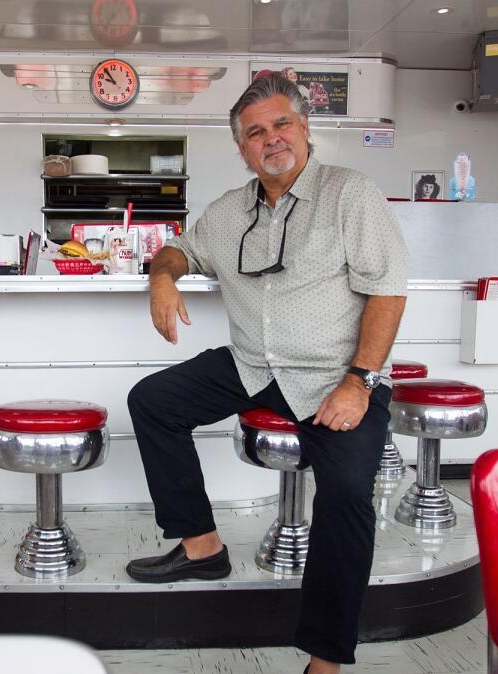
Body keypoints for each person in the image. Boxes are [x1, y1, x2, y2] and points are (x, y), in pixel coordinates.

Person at [125, 73, 409, 673]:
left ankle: (326, 658)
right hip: (253, 367)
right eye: (256, 132)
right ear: (242, 148)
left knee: (348, 496)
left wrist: (359, 381)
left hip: (337, 374)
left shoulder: (349, 194)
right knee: (153, 401)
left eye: (281, 124)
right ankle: (202, 546)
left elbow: (387, 293)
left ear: (305, 129)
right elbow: (182, 248)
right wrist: (161, 275)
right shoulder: (230, 211)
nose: (271, 138)